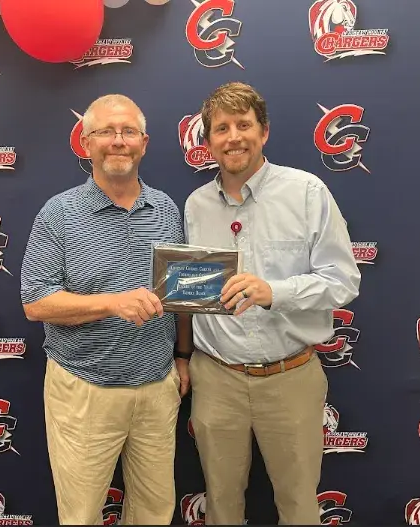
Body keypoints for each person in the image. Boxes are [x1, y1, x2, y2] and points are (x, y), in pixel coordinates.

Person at [179, 82, 361, 525]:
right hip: (216, 378)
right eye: (221, 128)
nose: (233, 137)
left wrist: (274, 292)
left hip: (290, 377)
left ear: (264, 132)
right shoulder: (195, 205)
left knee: (299, 506)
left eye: (244, 125)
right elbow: (190, 293)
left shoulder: (306, 192)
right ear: (208, 142)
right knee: (221, 505)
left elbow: (343, 281)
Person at [20, 94, 191, 525]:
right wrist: (113, 303)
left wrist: (182, 357)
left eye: (128, 131)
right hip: (84, 389)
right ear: (85, 143)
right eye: (105, 132)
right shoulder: (59, 213)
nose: (118, 141)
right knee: (81, 515)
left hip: (157, 387)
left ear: (144, 143)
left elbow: (181, 293)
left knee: (154, 512)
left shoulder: (166, 209)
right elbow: (36, 302)